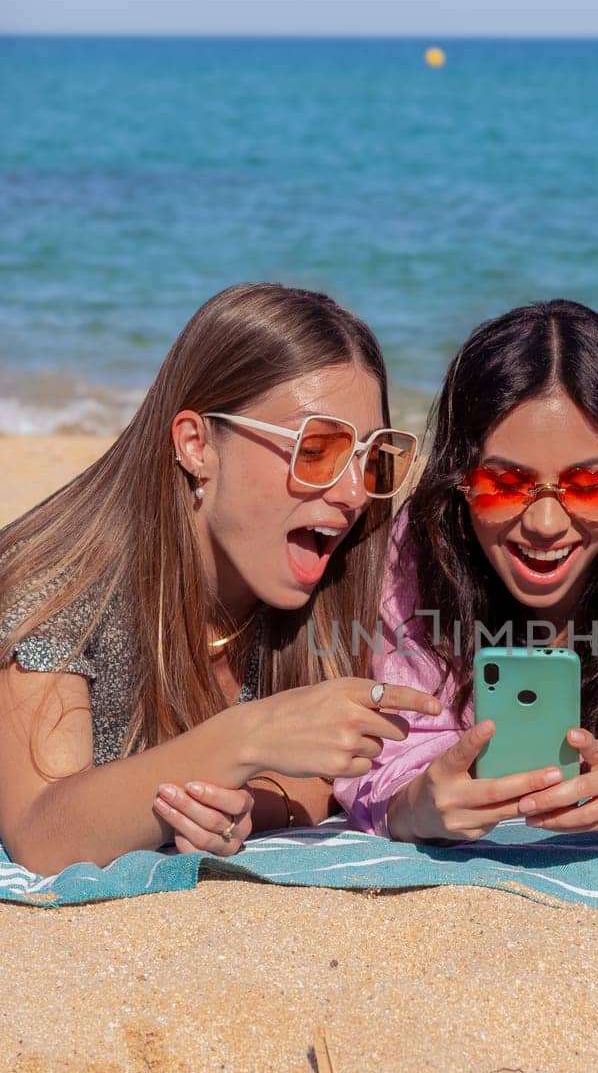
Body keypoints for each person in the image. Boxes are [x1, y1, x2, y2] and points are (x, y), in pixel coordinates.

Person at [0, 282, 439, 873]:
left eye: (372, 454)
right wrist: (246, 740)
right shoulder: (58, 584)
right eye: (316, 449)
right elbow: (42, 835)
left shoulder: (327, 578)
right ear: (197, 444)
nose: (355, 493)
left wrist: (246, 804)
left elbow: (321, 777)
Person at [335, 299, 598, 842]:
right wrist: (419, 807)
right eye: (504, 485)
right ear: (460, 477)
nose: (546, 523)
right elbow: (397, 759)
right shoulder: (419, 546)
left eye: (587, 486)